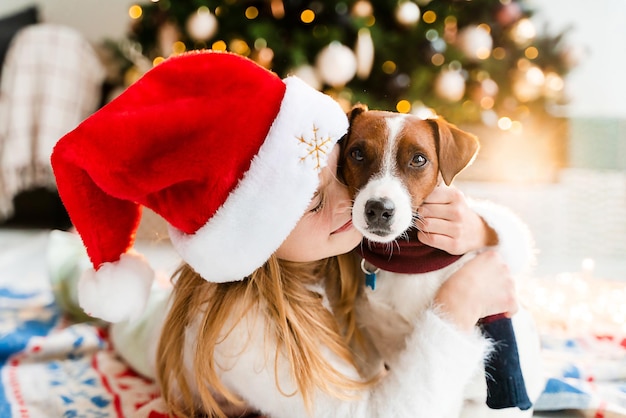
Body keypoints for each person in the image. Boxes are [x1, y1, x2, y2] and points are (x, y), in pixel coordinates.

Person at [51, 51, 527, 417]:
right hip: (153, 331)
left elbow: (515, 258)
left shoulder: (335, 236)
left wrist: (479, 231)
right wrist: (454, 311)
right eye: (314, 202)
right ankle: (71, 269)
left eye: (340, 177)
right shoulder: (242, 331)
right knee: (116, 310)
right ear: (259, 235)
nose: (349, 203)